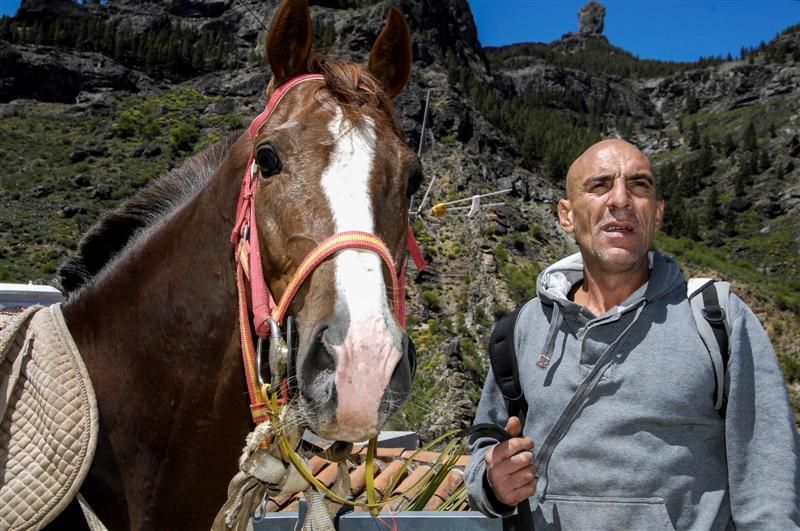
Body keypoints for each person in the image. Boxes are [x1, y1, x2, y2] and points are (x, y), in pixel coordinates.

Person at [465, 139, 800, 529]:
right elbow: (484, 446)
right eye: (599, 185)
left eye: (639, 186)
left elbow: (768, 474)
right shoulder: (522, 328)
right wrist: (492, 483)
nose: (620, 199)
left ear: (657, 215)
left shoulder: (716, 318)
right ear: (566, 215)